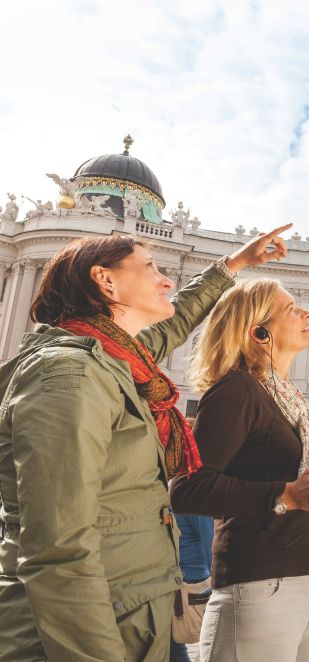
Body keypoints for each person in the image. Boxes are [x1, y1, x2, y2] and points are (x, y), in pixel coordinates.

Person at [0, 225, 290, 661]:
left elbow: (177, 321)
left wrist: (235, 264)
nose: (167, 279)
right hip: (85, 633)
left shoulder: (115, 355)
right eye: (151, 267)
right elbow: (58, 549)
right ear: (106, 279)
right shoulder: (68, 374)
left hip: (130, 614)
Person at [170, 278, 309, 662]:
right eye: (290, 308)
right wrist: (285, 495)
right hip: (256, 587)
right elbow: (186, 488)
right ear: (259, 332)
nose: (305, 313)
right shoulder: (236, 390)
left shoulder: (287, 396)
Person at [170, 514, 215, 662]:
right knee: (173, 643)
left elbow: (211, 541)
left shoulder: (188, 497)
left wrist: (218, 583)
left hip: (189, 583)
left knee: (176, 643)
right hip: (172, 580)